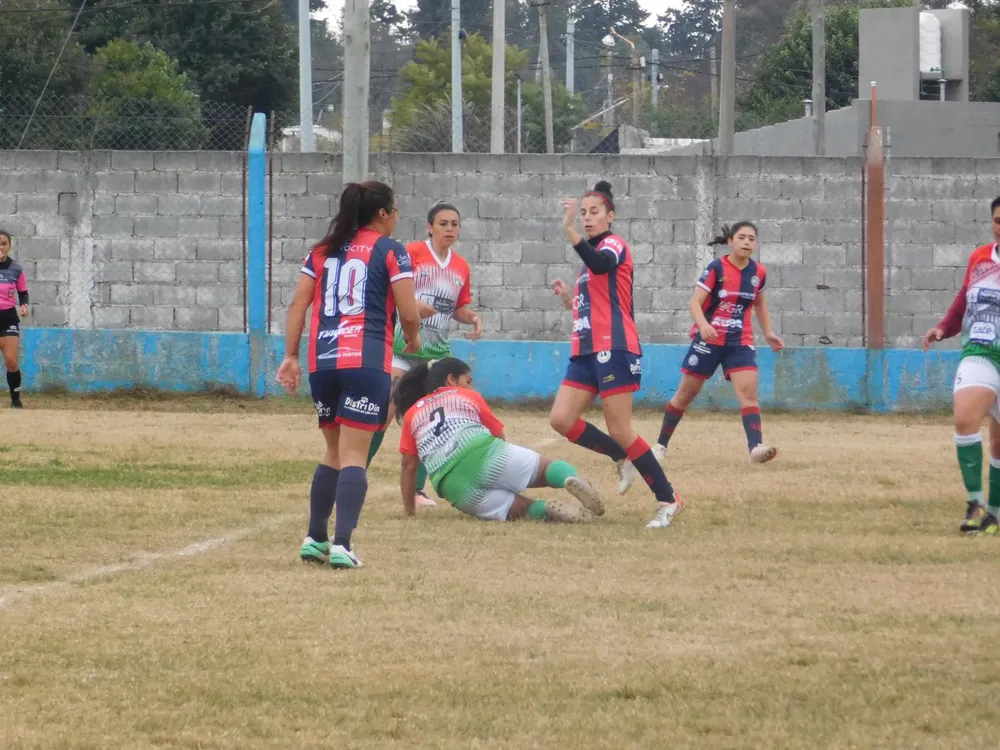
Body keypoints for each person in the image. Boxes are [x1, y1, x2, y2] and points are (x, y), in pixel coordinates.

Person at [276, 181, 422, 569]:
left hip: (323, 362)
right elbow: (408, 311)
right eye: (395, 210)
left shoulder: (321, 251)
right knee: (355, 456)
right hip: (365, 361)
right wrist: (412, 336)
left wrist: (290, 356)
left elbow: (298, 303)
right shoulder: (392, 251)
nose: (396, 218)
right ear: (383, 214)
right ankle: (342, 544)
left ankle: (315, 538)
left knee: (333, 453)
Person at [548, 180, 685, 530]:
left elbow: (601, 266)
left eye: (594, 212)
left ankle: (669, 500)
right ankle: (619, 456)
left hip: (615, 347)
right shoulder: (587, 260)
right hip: (585, 350)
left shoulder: (613, 246)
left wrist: (569, 231)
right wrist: (568, 299)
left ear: (610, 216)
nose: (587, 218)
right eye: (582, 213)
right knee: (561, 420)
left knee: (620, 427)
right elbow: (592, 301)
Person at [366, 201, 483, 509]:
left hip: (435, 355)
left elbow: (456, 308)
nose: (450, 229)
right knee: (385, 413)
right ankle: (354, 474)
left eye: (454, 224)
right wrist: (413, 307)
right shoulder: (412, 254)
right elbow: (392, 290)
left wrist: (470, 317)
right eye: (443, 223)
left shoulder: (461, 267)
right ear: (430, 227)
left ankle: (417, 491)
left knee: (425, 422)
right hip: (404, 349)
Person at [394, 357, 606, 523]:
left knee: (520, 510)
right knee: (545, 470)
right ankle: (568, 478)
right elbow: (498, 435)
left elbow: (408, 466)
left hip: (451, 485)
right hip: (484, 453)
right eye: (468, 381)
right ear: (451, 380)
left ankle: (545, 509)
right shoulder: (466, 395)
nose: (470, 386)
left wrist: (409, 510)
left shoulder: (412, 414)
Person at [652, 222, 783, 464]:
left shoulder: (758, 273)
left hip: (739, 342)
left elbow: (760, 304)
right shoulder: (716, 268)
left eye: (751, 239)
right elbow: (694, 303)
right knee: (684, 396)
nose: (746, 242)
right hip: (708, 341)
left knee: (748, 394)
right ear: (730, 242)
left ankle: (755, 447)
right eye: (741, 237)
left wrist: (769, 333)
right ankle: (660, 445)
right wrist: (703, 325)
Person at [923, 195, 1000, 536]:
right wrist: (944, 327)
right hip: (981, 351)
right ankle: (975, 501)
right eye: (998, 219)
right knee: (964, 418)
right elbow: (963, 300)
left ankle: (994, 515)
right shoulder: (980, 258)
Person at [0, 230, 28, 409]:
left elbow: (23, 292)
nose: (0, 247)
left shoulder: (16, 268)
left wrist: (24, 305)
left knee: (11, 361)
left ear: (9, 246)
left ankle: (16, 400)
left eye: (4, 243)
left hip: (8, 319)